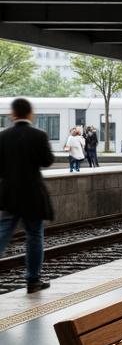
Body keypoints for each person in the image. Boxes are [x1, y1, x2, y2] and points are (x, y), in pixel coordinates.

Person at [0, 98, 55, 293]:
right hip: (32, 194)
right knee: (34, 236)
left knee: (3, 232)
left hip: (9, 194)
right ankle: (33, 281)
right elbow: (48, 161)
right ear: (30, 114)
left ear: (12, 114)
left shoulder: (3, 136)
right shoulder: (38, 135)